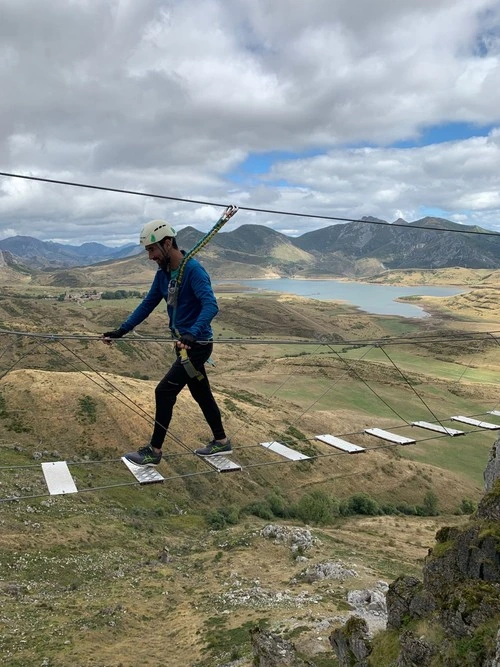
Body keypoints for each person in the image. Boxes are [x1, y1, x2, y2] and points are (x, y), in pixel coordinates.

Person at [103, 219, 231, 465]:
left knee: (163, 392)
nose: (150, 256)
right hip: (184, 346)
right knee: (202, 394)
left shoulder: (193, 270)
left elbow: (211, 305)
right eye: (148, 251)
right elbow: (148, 304)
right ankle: (221, 442)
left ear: (167, 243)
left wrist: (193, 332)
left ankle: (154, 451)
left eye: (152, 250)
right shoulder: (164, 275)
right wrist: (122, 330)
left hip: (196, 346)